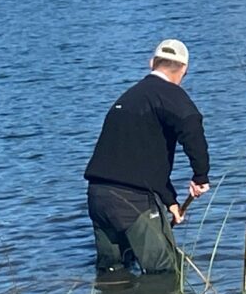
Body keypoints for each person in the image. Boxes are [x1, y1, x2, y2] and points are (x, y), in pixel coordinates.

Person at [84, 39, 210, 274]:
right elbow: (191, 123)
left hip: (98, 197)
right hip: (133, 200)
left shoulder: (128, 99)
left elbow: (142, 159)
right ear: (184, 70)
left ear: (151, 63)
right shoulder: (172, 96)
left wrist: (171, 202)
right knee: (165, 272)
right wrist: (200, 175)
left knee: (112, 271)